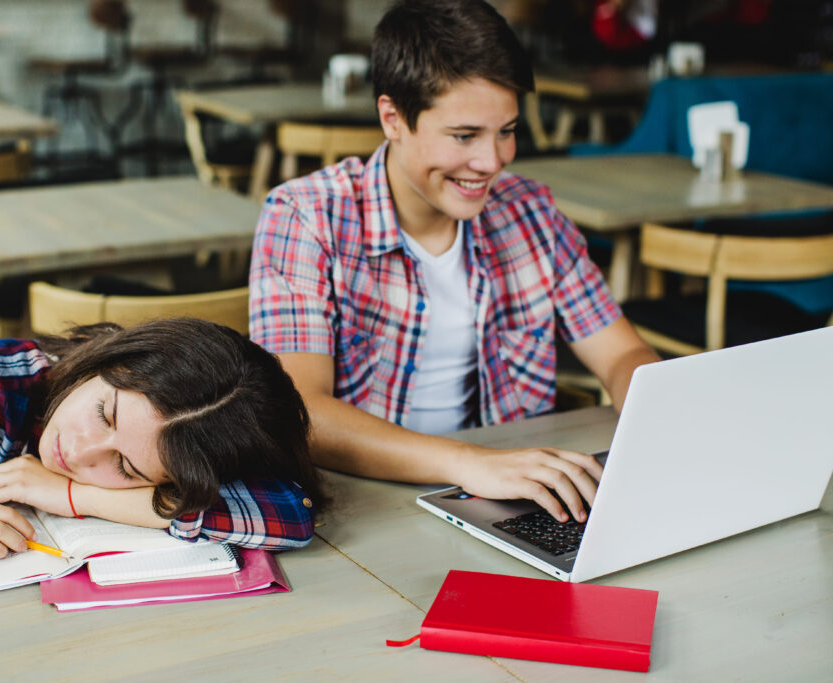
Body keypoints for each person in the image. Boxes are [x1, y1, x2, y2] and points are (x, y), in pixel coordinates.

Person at [249, 0, 660, 526]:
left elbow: (623, 353)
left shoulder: (528, 211)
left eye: (507, 130)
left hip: (503, 492)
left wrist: (661, 415)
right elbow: (302, 412)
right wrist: (471, 464)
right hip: (362, 506)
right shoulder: (307, 216)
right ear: (392, 118)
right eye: (465, 136)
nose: (491, 162)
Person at [0, 318, 325, 565]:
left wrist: (78, 496)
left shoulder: (194, 440)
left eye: (125, 468)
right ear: (111, 361)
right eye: (104, 413)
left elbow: (291, 512)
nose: (78, 452)